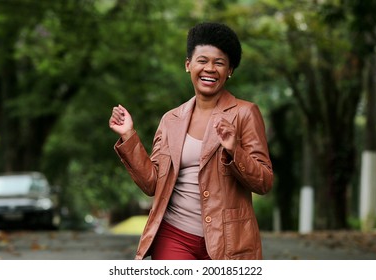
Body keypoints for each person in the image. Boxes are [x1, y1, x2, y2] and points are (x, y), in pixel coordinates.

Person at [109, 22, 273, 260]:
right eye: (202, 60)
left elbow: (264, 182)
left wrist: (234, 149)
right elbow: (153, 184)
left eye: (219, 63)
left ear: (230, 71)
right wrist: (128, 136)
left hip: (228, 241)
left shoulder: (245, 113)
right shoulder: (170, 120)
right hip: (173, 235)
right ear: (188, 65)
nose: (210, 69)